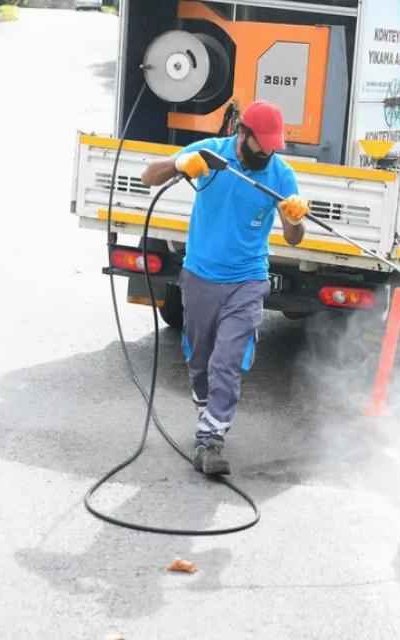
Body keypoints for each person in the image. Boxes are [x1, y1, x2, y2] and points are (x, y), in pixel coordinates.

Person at [140, 101, 309, 476]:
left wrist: (295, 220)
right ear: (242, 134)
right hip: (200, 275)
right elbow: (148, 176)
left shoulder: (280, 175)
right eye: (260, 144)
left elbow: (294, 238)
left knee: (227, 360)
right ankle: (206, 409)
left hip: (248, 279)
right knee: (200, 360)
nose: (266, 152)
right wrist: (179, 165)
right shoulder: (211, 156)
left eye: (272, 146)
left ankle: (211, 440)